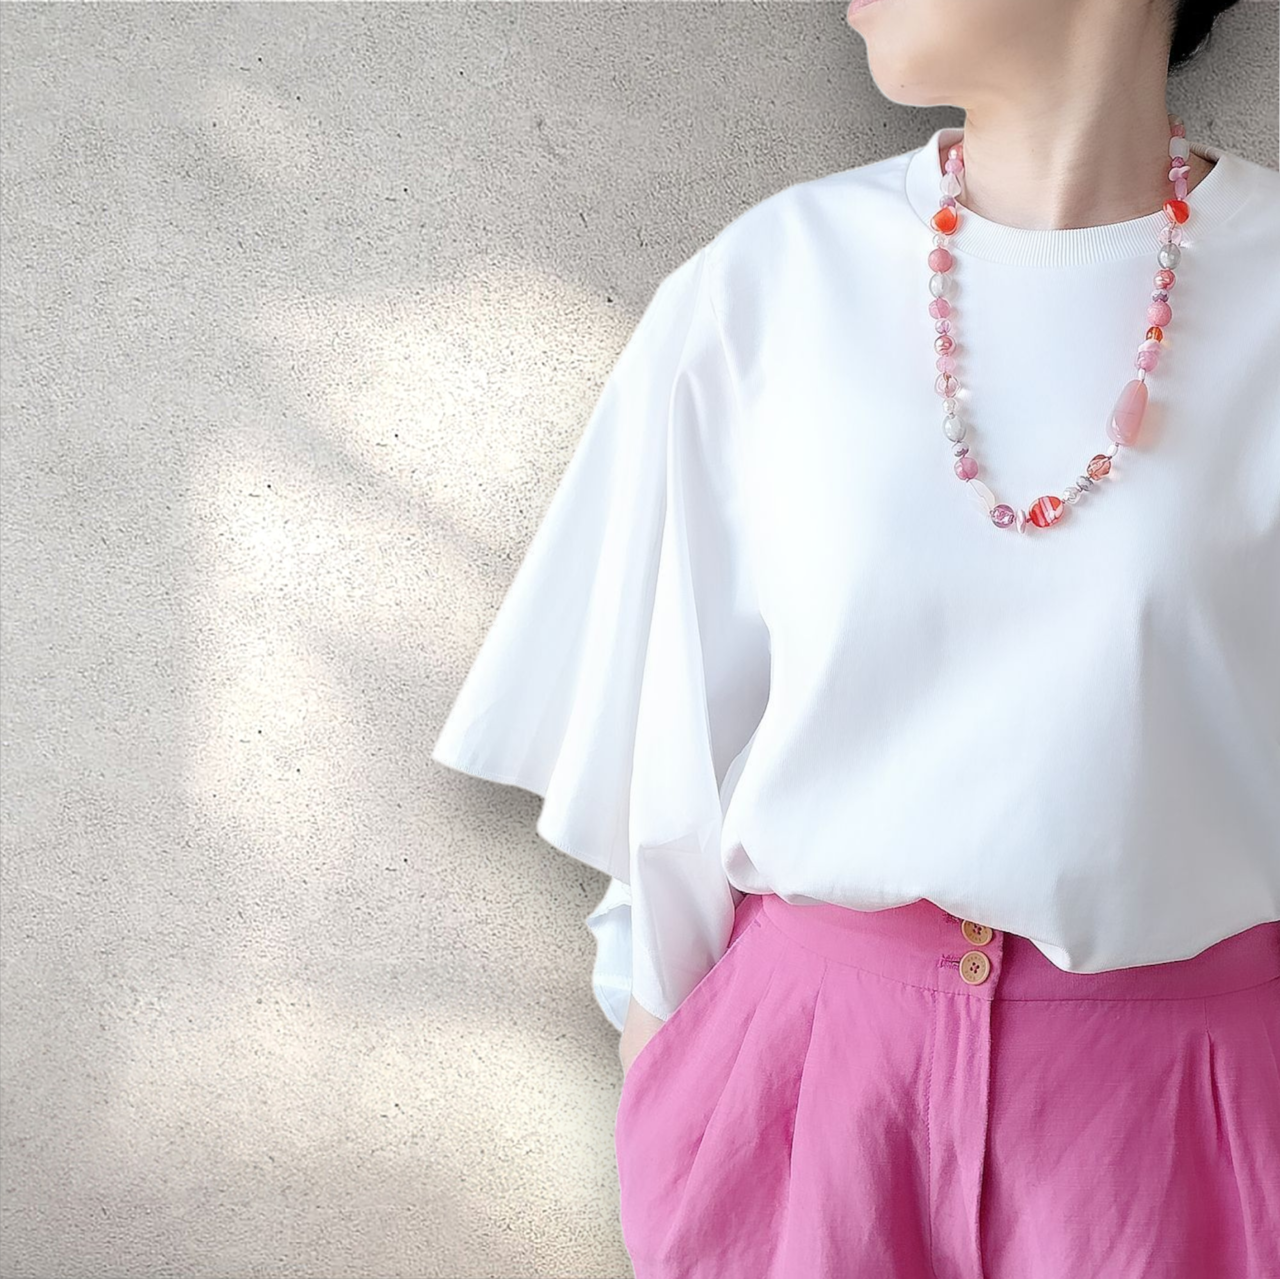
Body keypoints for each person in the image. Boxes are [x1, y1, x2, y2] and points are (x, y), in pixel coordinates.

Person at [431, 0, 1280, 1273]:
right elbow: (663, 765)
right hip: (798, 1101)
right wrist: (677, 1097)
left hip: (1190, 1132)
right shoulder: (770, 279)